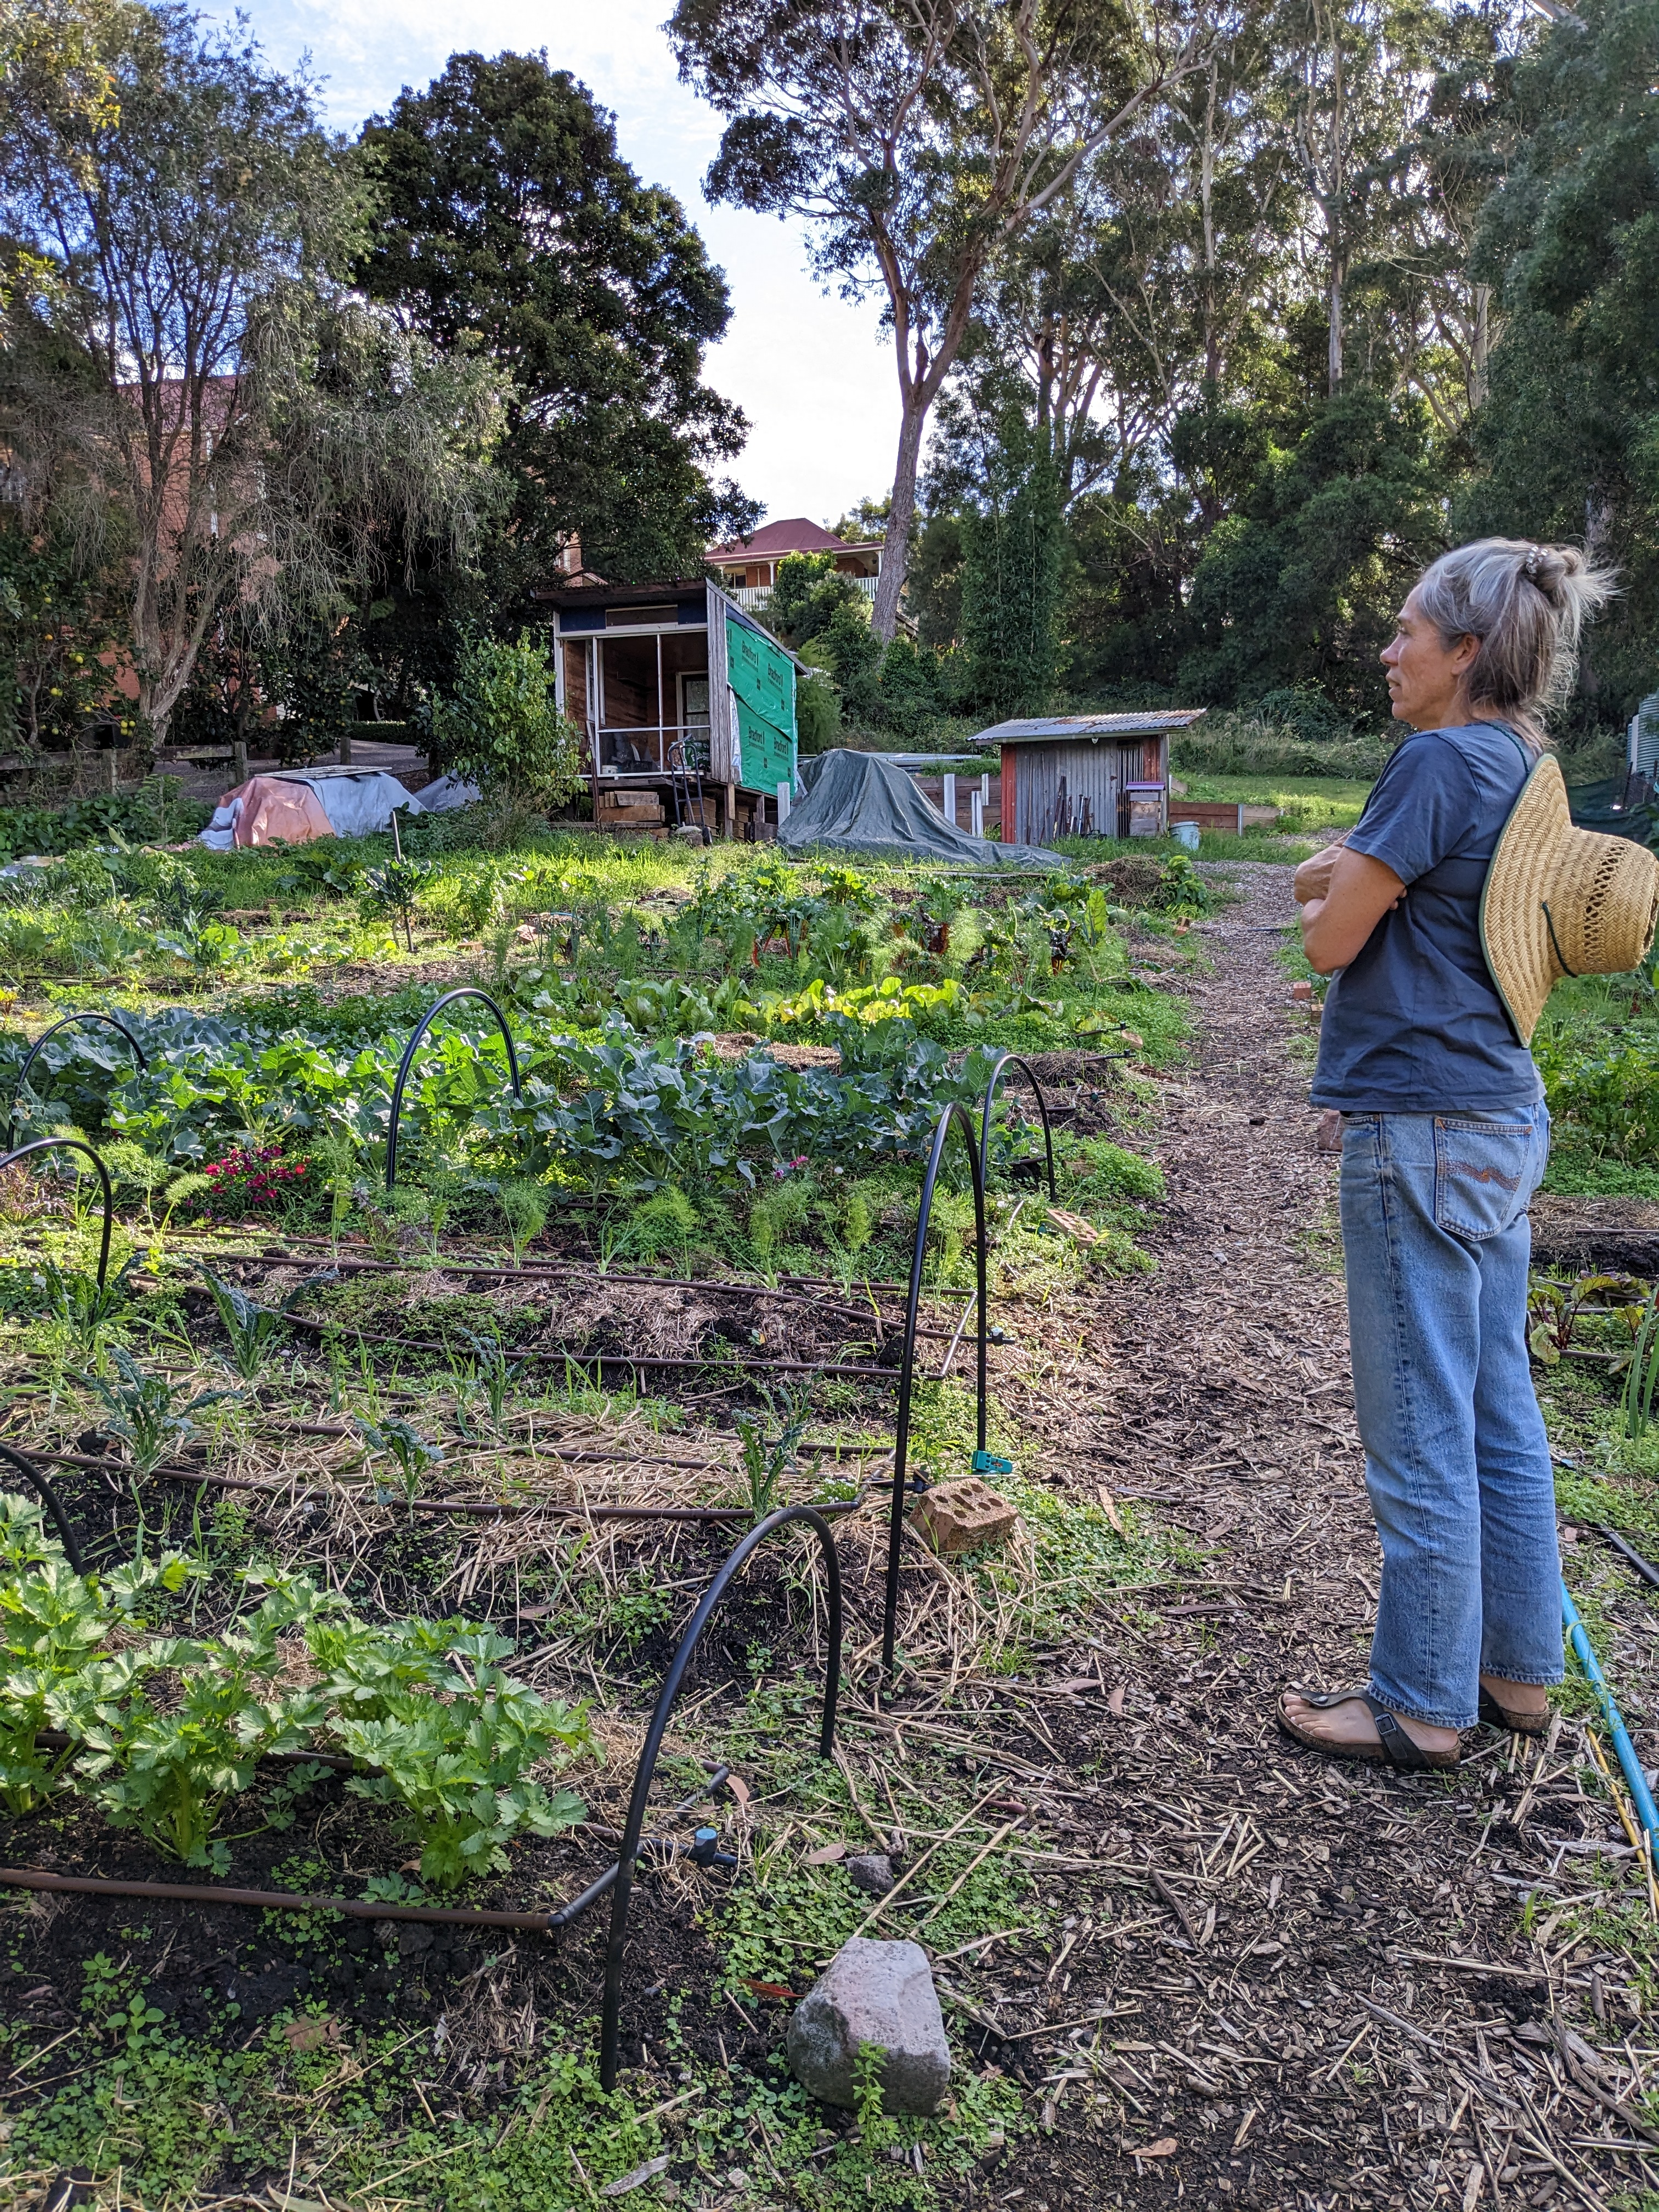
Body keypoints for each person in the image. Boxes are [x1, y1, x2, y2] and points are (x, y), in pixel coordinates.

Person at [1279, 538, 1615, 1770]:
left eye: (1407, 632)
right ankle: (1515, 1677)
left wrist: (1323, 879)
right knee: (1496, 1411)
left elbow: (1328, 939)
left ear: (1466, 651)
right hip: (1494, 1115)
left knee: (1419, 1426)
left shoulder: (1431, 760)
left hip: (1420, 1130)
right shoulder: (1525, 762)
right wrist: (1345, 876)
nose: (1388, 652)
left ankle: (1421, 1703)